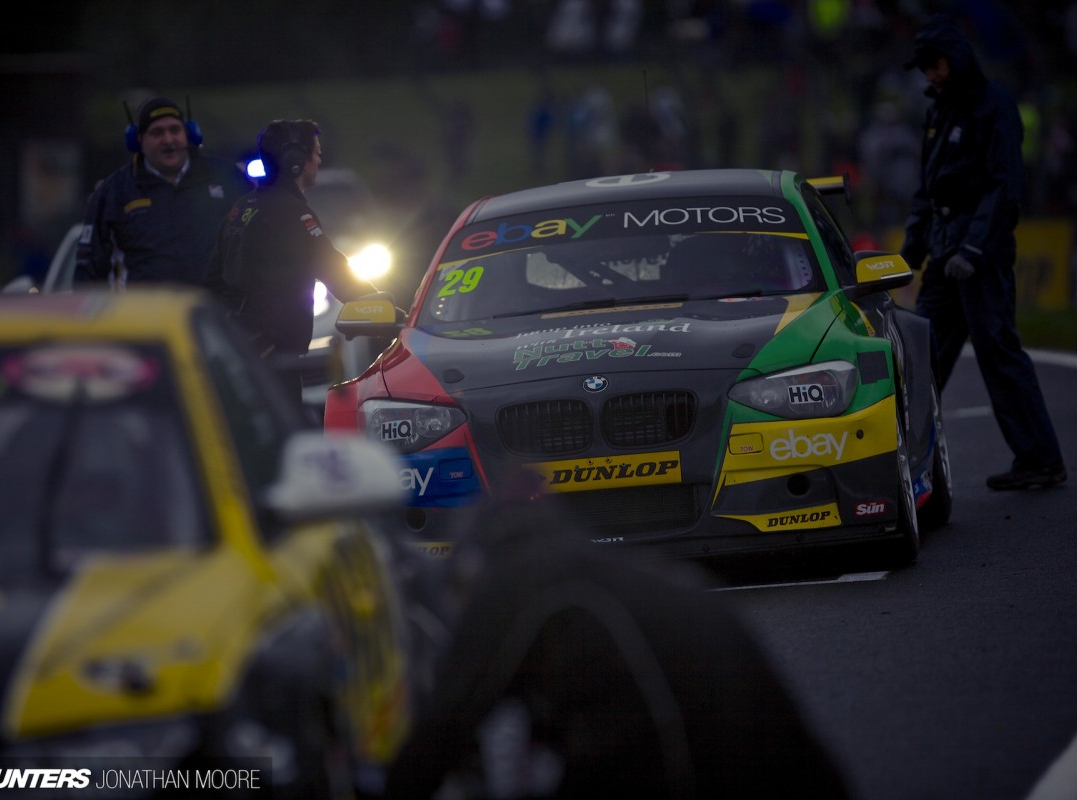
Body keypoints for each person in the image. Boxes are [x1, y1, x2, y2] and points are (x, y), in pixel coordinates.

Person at [382, 471, 852, 800]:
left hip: (691, 768)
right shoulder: (609, 572)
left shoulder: (519, 581)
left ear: (474, 561)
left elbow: (446, 722)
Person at [898, 14, 1066, 491]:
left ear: (955, 57)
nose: (929, 73)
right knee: (920, 357)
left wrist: (974, 247)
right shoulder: (939, 111)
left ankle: (1041, 459)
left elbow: (1004, 186)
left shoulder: (994, 107)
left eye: (934, 63)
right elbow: (926, 190)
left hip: (980, 256)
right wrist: (909, 255)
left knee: (998, 353)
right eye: (923, 66)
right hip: (945, 252)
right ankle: (905, 465)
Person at [204, 119, 377, 410]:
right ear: (296, 161)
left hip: (243, 352)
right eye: (316, 152)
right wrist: (384, 307)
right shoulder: (292, 214)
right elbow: (336, 272)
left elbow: (211, 282)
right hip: (274, 359)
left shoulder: (243, 207)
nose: (319, 160)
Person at [76, 96, 250, 287]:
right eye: (157, 133)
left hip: (215, 312)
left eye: (175, 130)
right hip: (148, 314)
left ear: (189, 133)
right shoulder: (115, 190)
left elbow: (257, 240)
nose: (168, 140)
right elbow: (89, 269)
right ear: (138, 140)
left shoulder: (226, 177)